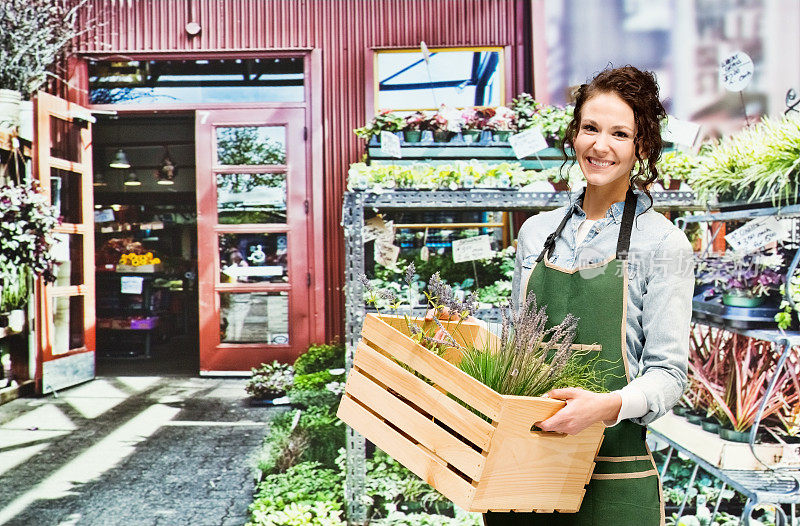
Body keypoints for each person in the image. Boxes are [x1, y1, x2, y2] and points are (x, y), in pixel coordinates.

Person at [484, 66, 693, 525]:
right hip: (523, 474)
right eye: (590, 128)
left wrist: (608, 406)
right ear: (574, 134)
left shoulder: (663, 245)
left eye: (620, 133)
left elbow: (670, 375)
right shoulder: (536, 234)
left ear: (643, 147)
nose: (600, 146)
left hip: (613, 480)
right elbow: (516, 348)